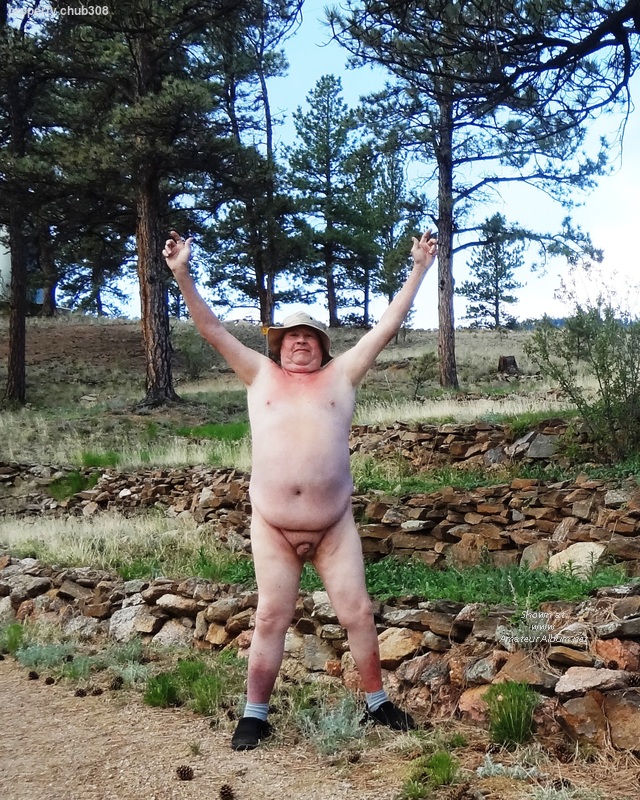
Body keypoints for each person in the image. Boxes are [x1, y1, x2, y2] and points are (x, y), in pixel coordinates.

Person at [163, 229, 438, 751]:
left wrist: (419, 268)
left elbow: (387, 325)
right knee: (271, 615)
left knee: (358, 613)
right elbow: (211, 328)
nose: (301, 341)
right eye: (292, 335)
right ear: (278, 343)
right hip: (273, 525)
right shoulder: (258, 374)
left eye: (310, 336)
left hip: (333, 525)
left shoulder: (343, 376)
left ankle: (377, 703)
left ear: (323, 346)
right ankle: (254, 715)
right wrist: (182, 273)